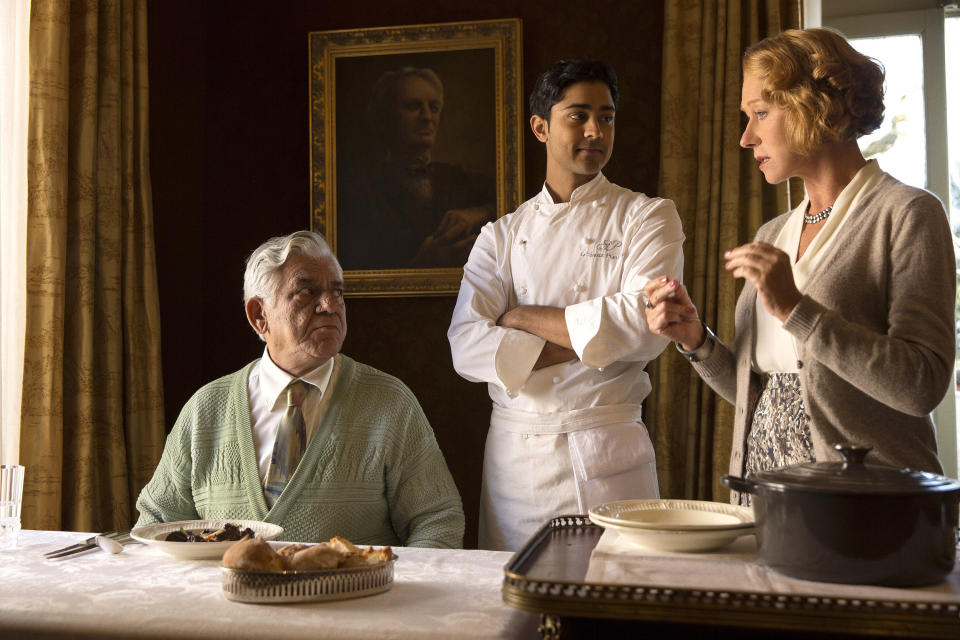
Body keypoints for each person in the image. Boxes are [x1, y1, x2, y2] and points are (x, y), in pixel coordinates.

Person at [643, 28, 954, 503]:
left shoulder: (907, 213)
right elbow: (773, 393)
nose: (746, 138)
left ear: (814, 106)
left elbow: (921, 386)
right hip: (765, 504)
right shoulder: (773, 234)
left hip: (863, 510)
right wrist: (696, 340)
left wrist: (795, 309)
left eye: (761, 113)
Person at [448, 59, 685, 551]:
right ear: (541, 127)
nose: (596, 130)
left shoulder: (647, 216)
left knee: (615, 608)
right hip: (517, 462)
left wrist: (519, 318)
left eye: (607, 115)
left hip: (609, 453)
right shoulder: (501, 236)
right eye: (578, 115)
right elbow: (466, 346)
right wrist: (595, 337)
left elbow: (645, 327)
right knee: (514, 613)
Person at [136, 231, 465, 546]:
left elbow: (437, 520)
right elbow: (157, 522)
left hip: (355, 602)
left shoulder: (389, 403)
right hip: (225, 602)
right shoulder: (205, 409)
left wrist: (394, 594)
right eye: (307, 292)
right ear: (259, 316)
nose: (330, 305)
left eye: (337, 292)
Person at [338, 66, 495, 270]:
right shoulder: (358, 190)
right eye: (413, 106)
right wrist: (421, 264)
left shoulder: (457, 177)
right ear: (385, 117)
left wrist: (479, 213)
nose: (427, 117)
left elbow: (519, 202)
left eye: (434, 107)